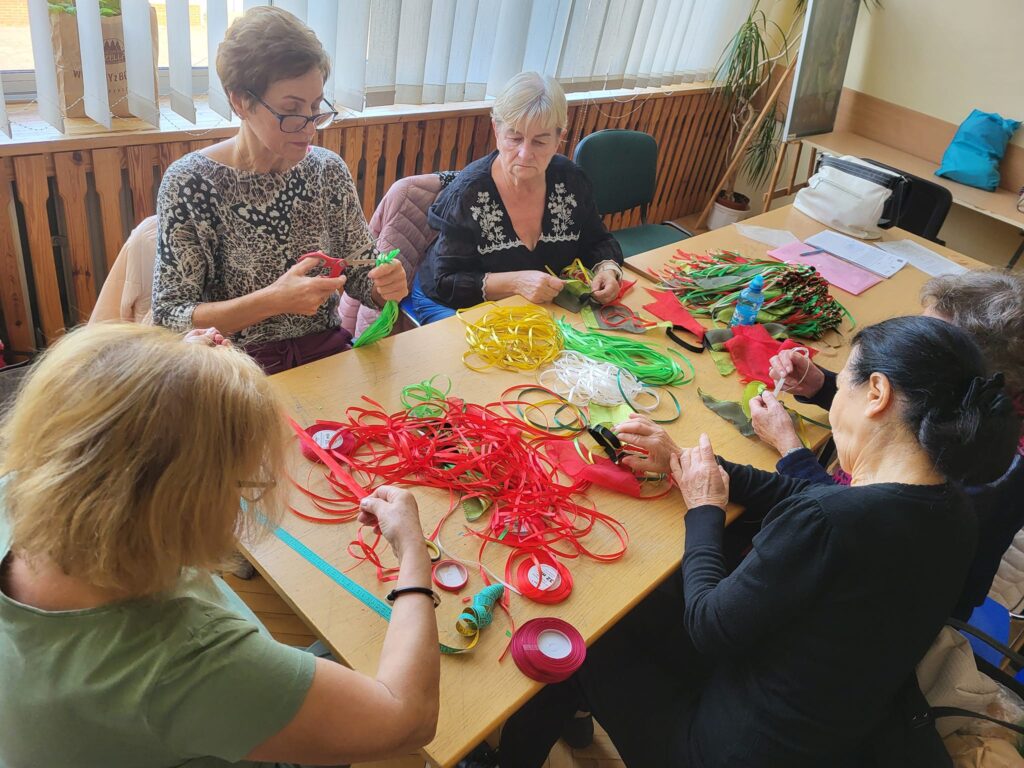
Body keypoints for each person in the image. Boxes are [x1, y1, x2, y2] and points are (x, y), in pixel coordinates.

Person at [496, 316, 1020, 768]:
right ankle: (570, 710)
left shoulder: (831, 518)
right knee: (648, 602)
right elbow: (796, 492)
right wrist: (688, 463)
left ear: (877, 393)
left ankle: (509, 754)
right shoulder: (951, 508)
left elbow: (708, 625)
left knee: (586, 624)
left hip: (725, 749)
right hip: (825, 726)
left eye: (844, 385)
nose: (836, 394)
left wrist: (704, 507)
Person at [0, 323, 440, 767]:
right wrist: (412, 551)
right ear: (186, 505)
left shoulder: (17, 491)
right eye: (239, 483)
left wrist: (171, 381)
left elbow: (123, 446)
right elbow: (409, 718)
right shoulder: (181, 661)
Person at [751, 269, 1024, 619]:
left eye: (923, 343)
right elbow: (909, 411)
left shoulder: (980, 465)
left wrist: (791, 448)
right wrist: (821, 386)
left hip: (887, 601)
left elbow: (848, 527)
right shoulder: (984, 405)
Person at [152, 7, 408, 374]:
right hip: (231, 373)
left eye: (316, 106)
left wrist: (385, 284)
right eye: (291, 110)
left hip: (324, 358)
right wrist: (273, 301)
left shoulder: (326, 170)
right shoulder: (191, 183)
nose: (309, 127)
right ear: (240, 101)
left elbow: (360, 275)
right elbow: (170, 319)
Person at [412, 72, 625, 323]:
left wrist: (607, 270)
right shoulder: (468, 194)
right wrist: (516, 282)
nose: (525, 154)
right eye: (515, 138)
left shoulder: (570, 182)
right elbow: (446, 281)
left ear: (559, 138)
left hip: (530, 305)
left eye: (540, 141)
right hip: (450, 303)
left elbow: (597, 241)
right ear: (496, 130)